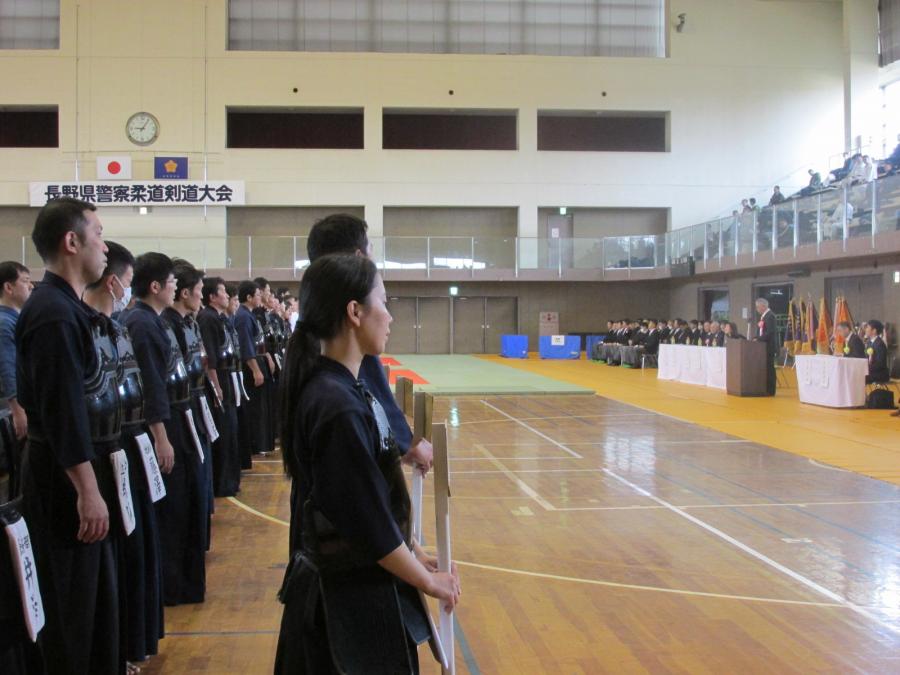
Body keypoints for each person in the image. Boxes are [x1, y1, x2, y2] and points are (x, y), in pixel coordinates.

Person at [274, 254, 460, 674]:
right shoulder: (335, 405)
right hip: (341, 604)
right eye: (383, 301)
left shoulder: (350, 390)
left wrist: (414, 553)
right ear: (354, 312)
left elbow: (374, 498)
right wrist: (428, 581)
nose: (390, 316)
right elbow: (363, 520)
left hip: (361, 591)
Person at [15, 197, 121, 673]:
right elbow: (63, 413)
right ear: (71, 241)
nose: (104, 245)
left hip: (81, 471)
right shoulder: (53, 314)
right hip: (63, 482)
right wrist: (88, 490)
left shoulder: (70, 308)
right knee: (69, 607)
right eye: (97, 233)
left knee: (91, 600)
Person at [83, 241, 165, 667]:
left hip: (126, 447)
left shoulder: (117, 328)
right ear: (114, 282)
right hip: (99, 455)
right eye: (128, 283)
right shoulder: (75, 325)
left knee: (134, 552)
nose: (129, 292)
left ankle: (131, 646)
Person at [306, 214, 433, 473]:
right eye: (382, 302)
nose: (389, 316)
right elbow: (372, 386)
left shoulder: (312, 311)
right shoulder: (341, 392)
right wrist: (405, 442)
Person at [121, 252, 207, 606]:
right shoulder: (141, 323)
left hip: (179, 416)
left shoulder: (158, 322)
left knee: (187, 503)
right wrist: (161, 436)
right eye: (172, 283)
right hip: (164, 421)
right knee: (171, 510)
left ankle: (182, 583)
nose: (176, 289)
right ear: (155, 286)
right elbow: (153, 384)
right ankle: (171, 584)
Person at [165, 259, 214, 548]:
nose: (201, 295)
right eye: (198, 290)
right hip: (179, 411)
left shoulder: (188, 324)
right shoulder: (165, 325)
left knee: (200, 474)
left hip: (195, 403)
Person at [198, 277, 241, 497]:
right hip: (219, 379)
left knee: (232, 429)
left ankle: (231, 480)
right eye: (223, 291)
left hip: (228, 376)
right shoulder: (207, 318)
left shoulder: (221, 318)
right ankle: (223, 482)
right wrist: (216, 386)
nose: (227, 295)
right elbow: (210, 358)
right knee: (224, 430)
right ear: (212, 296)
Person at [0, 261, 32, 497]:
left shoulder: (16, 319)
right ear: (8, 288)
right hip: (12, 410)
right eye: (25, 281)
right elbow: (7, 366)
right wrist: (18, 409)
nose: (30, 286)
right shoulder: (4, 322)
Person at [234, 280, 270, 464]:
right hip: (250, 369)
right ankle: (254, 444)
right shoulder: (242, 316)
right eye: (257, 294)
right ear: (248, 297)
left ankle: (259, 442)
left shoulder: (250, 315)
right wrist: (256, 370)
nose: (260, 297)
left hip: (258, 362)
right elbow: (246, 346)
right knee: (254, 408)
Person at [753, 298, 778, 395]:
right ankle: (765, 388)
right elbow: (761, 330)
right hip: (763, 347)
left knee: (769, 368)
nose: (757, 309)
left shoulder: (770, 316)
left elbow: (770, 332)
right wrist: (756, 337)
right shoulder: (764, 316)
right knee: (765, 368)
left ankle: (771, 390)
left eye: (758, 307)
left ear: (763, 306)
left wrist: (759, 339)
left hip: (769, 347)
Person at [864, 320, 889, 384]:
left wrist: (865, 368)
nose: (865, 329)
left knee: (860, 377)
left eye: (867, 327)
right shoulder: (869, 342)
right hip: (871, 372)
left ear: (874, 330)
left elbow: (880, 364)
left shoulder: (880, 344)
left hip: (880, 374)